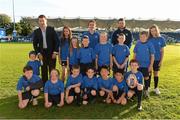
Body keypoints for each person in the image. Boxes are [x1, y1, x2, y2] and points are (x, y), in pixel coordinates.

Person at [33, 15, 59, 85]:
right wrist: (38, 53)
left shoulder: (51, 29)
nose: (42, 22)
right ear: (38, 22)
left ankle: (53, 84)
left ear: (46, 21)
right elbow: (35, 44)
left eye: (43, 21)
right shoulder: (36, 31)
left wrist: (55, 52)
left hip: (51, 53)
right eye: (40, 21)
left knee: (52, 70)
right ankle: (45, 85)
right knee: (43, 71)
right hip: (42, 54)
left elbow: (57, 41)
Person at [133, 31, 155, 98]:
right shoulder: (138, 43)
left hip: (146, 65)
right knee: (137, 78)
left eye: (144, 37)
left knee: (146, 78)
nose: (142, 38)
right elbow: (134, 54)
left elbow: (152, 56)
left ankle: (146, 91)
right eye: (141, 37)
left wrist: (151, 65)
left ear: (147, 37)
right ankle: (137, 91)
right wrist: (133, 64)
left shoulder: (150, 44)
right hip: (138, 65)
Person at [148, 25, 166, 95]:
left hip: (157, 59)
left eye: (154, 30)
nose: (153, 32)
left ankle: (156, 88)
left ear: (157, 30)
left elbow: (162, 51)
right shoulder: (149, 39)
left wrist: (161, 61)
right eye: (151, 31)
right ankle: (148, 87)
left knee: (156, 74)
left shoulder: (161, 39)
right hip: (149, 59)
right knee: (149, 73)